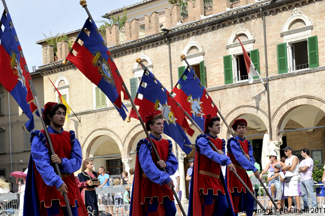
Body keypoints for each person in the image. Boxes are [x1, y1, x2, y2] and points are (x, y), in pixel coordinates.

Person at [23, 102, 87, 216]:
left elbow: (77, 162)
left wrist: (62, 161)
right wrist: (57, 182)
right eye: (58, 113)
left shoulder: (71, 137)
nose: (62, 116)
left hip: (69, 186)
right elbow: (42, 164)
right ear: (49, 116)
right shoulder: (40, 137)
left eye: (63, 113)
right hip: (50, 186)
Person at [130, 111, 178, 216]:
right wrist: (166, 178)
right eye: (158, 124)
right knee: (154, 213)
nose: (162, 126)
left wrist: (166, 165)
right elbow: (148, 167)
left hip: (164, 184)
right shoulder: (145, 143)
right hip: (150, 184)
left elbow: (173, 162)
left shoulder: (167, 143)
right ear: (151, 126)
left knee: (171, 210)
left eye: (162, 123)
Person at [188, 115, 236, 216]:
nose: (219, 127)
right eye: (216, 125)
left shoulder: (220, 142)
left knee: (224, 206)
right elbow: (211, 154)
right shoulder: (202, 140)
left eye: (220, 125)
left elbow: (220, 161)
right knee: (208, 209)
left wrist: (222, 157)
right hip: (205, 179)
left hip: (217, 180)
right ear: (209, 127)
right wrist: (226, 159)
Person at [227, 119, 260, 216]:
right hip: (234, 173)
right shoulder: (233, 141)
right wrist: (253, 169)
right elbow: (239, 157)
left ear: (246, 129)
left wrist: (252, 163)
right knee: (235, 200)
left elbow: (251, 158)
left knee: (250, 198)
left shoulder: (248, 143)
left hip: (243, 173)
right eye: (239, 128)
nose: (241, 129)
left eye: (243, 127)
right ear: (236, 130)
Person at [282, 146, 301, 214]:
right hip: (287, 177)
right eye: (284, 151)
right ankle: (289, 208)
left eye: (286, 151)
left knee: (295, 193)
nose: (285, 152)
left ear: (290, 151)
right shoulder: (286, 160)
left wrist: (286, 168)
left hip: (293, 177)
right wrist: (286, 167)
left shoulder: (294, 158)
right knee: (288, 194)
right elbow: (282, 169)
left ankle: (298, 209)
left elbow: (292, 168)